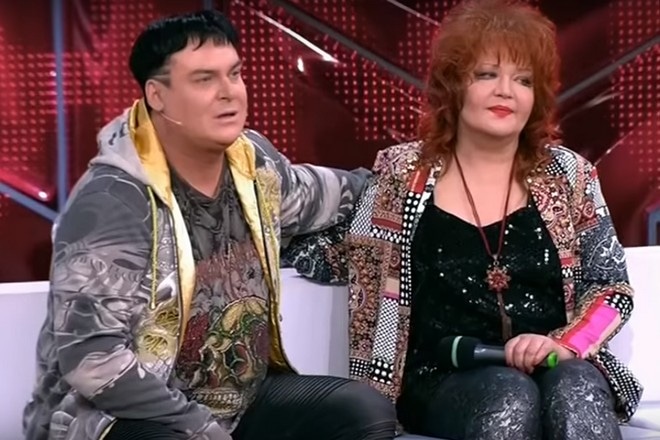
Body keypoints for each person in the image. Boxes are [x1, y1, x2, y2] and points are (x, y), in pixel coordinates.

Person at [22, 10, 397, 440]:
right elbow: (93, 361)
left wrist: (413, 176)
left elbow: (331, 194)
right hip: (121, 418)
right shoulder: (112, 202)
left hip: (239, 403)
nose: (229, 92)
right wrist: (197, 426)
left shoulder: (253, 165)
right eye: (204, 80)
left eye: (234, 74)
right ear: (157, 95)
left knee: (361, 410)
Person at [283, 1, 642, 439]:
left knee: (578, 387)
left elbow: (610, 289)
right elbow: (342, 252)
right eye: (487, 74)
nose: (506, 91)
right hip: (443, 376)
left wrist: (566, 344)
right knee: (510, 394)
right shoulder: (402, 176)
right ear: (453, 85)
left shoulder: (569, 174)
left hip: (554, 362)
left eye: (523, 80)